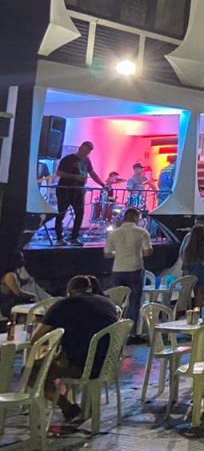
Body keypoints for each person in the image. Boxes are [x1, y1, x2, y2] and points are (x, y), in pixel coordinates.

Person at [31, 274, 118, 422]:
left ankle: (67, 407)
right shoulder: (107, 303)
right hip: (109, 362)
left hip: (81, 366)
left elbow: (35, 339)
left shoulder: (63, 305)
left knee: (33, 372)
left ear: (69, 291)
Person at [104, 206, 152, 340]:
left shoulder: (114, 233)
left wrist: (120, 254)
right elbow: (148, 251)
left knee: (117, 301)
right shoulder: (142, 232)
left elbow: (107, 254)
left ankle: (115, 331)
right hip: (135, 268)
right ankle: (131, 333)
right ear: (136, 217)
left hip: (118, 269)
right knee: (134, 301)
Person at [54, 141, 104, 246]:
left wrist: (102, 184)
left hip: (78, 191)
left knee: (80, 213)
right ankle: (59, 238)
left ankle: (74, 238)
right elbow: (59, 173)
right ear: (80, 148)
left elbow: (92, 173)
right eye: (84, 151)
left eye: (88, 152)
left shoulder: (87, 160)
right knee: (61, 213)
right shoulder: (68, 159)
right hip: (65, 190)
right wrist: (74, 176)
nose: (85, 153)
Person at [181, 221, 204, 307]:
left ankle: (199, 313)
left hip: (195, 274)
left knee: (198, 298)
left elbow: (186, 264)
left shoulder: (189, 247)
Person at [0, 252, 35, 319]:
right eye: (21, 258)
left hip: (14, 303)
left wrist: (27, 280)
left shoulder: (15, 274)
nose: (23, 260)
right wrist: (32, 295)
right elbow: (18, 293)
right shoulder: (9, 275)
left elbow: (18, 282)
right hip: (9, 305)